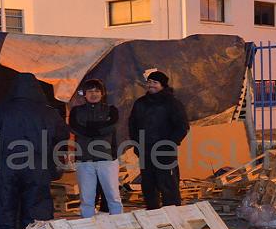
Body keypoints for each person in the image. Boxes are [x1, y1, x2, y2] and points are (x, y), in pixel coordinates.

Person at [0, 73, 70, 229]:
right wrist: (53, 164)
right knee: (36, 210)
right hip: (37, 167)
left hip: (5, 166)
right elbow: (61, 138)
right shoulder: (48, 112)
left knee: (3, 208)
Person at [128, 71, 189, 210]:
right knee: (148, 184)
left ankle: (173, 215)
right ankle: (153, 213)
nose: (151, 85)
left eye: (155, 82)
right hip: (146, 150)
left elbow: (182, 126)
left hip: (165, 151)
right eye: (149, 82)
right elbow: (132, 125)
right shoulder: (140, 103)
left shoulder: (172, 103)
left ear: (163, 85)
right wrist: (137, 144)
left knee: (168, 184)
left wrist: (170, 144)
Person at [69, 79, 123, 218]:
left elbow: (111, 126)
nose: (94, 94)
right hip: (84, 159)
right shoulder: (76, 111)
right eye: (90, 91)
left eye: (97, 91)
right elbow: (75, 128)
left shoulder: (111, 110)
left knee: (113, 196)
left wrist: (89, 128)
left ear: (102, 93)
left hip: (107, 159)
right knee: (87, 199)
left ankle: (119, 225)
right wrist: (99, 127)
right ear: (84, 94)